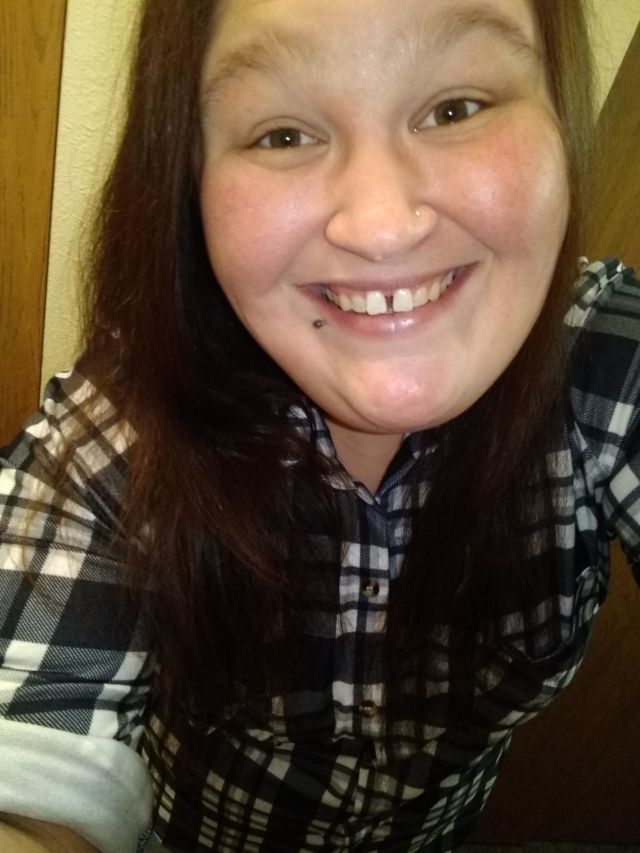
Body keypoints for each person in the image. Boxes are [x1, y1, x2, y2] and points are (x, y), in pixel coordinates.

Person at [1, 0, 638, 850]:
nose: (380, 227)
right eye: (283, 134)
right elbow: (26, 773)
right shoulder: (120, 431)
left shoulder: (603, 360)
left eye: (456, 109)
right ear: (188, 179)